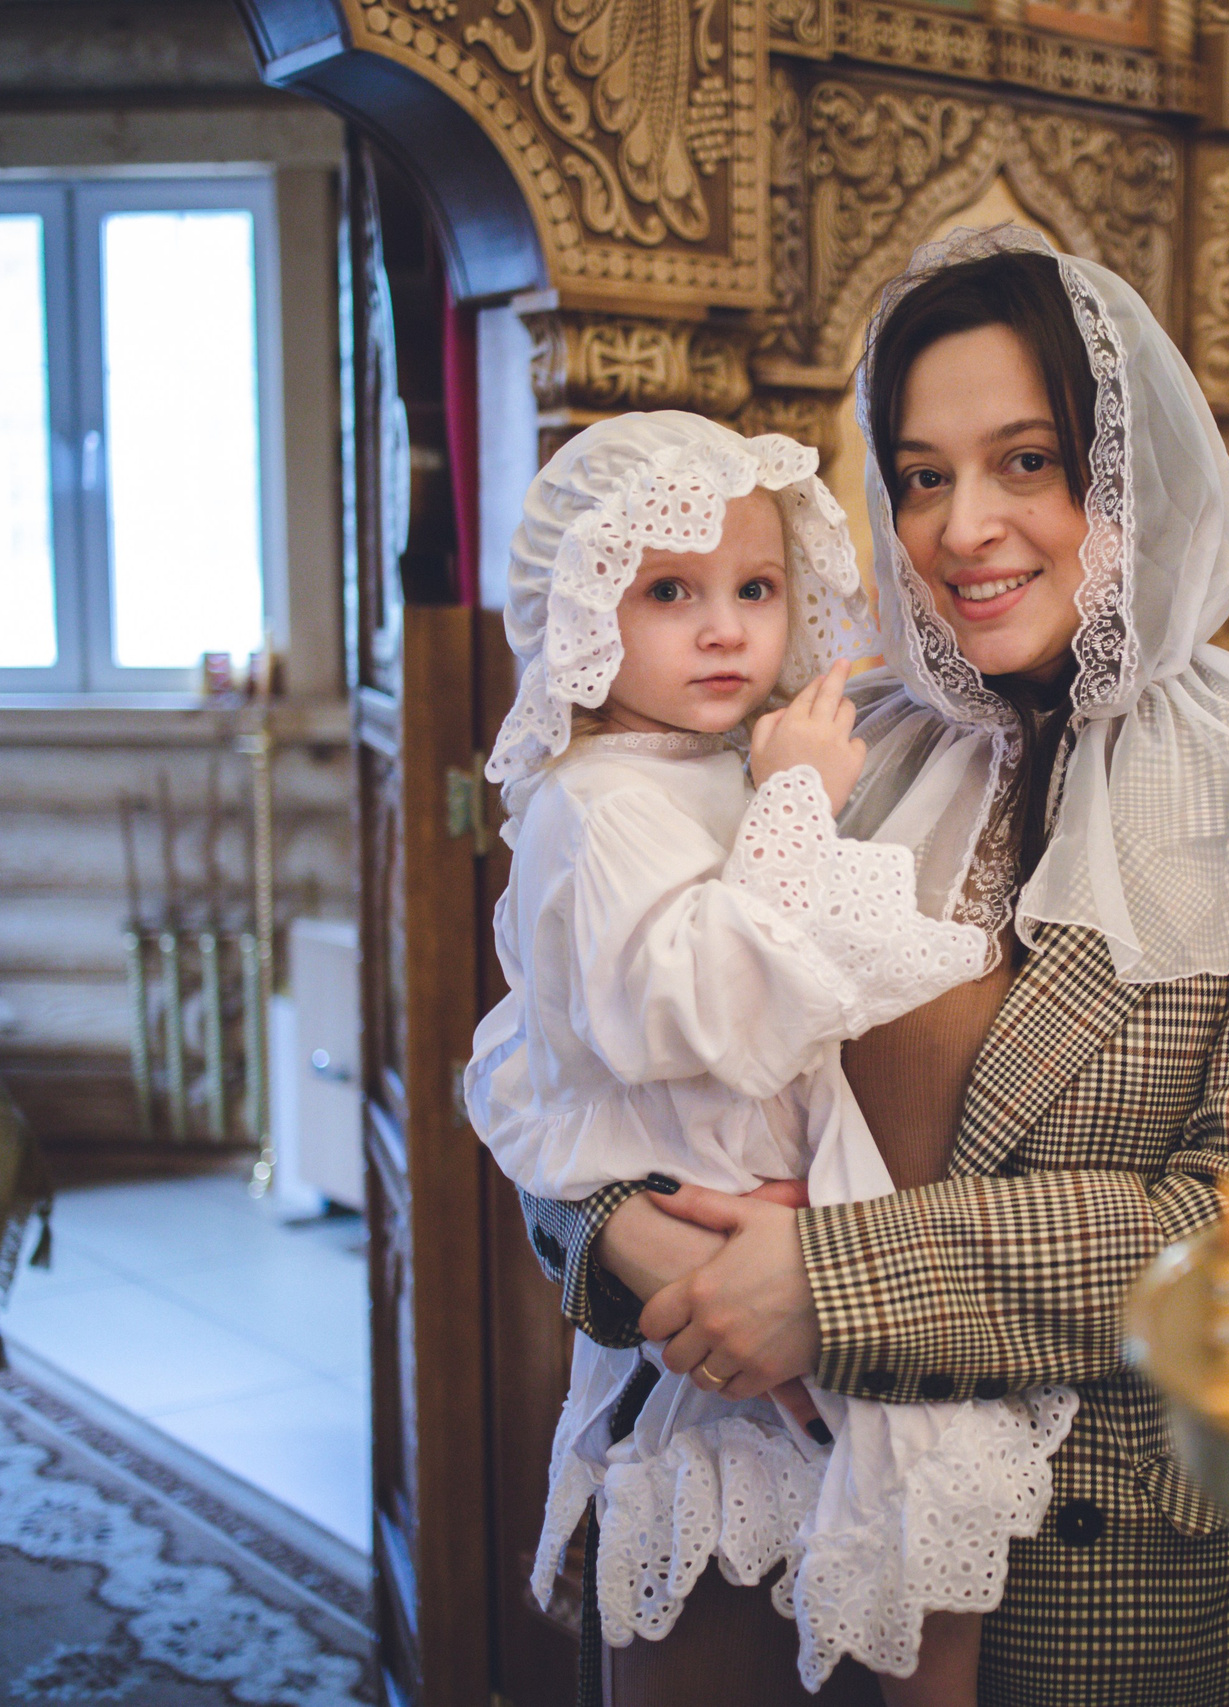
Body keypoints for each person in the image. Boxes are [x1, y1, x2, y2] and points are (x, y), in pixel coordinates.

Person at [523, 228, 1229, 1706]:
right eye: (920, 474)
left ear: (1123, 467)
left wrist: (829, 1286)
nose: (965, 526)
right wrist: (617, 1238)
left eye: (1027, 461)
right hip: (768, 1527)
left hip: (1096, 1585)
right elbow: (594, 1039)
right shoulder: (838, 741)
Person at [466, 411, 1077, 1706]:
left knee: (912, 1560)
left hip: (817, 1234)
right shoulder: (597, 801)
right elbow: (702, 1010)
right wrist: (799, 801)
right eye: (668, 593)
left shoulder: (708, 767)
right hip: (697, 1213)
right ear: (582, 614)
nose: (725, 627)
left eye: (753, 588)